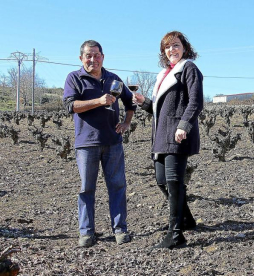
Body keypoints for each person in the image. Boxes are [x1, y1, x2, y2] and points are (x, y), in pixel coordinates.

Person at [133, 31, 203, 249]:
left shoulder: (188, 68)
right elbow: (160, 110)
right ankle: (187, 219)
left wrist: (184, 125)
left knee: (173, 182)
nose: (171, 50)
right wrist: (145, 103)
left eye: (176, 45)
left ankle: (176, 235)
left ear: (184, 47)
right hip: (161, 135)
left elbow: (196, 102)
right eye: (167, 47)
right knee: (162, 181)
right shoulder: (164, 74)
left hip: (176, 135)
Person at [63, 40, 136, 247]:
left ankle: (120, 229)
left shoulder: (113, 79)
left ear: (103, 57)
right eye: (88, 55)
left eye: (96, 55)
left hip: (113, 142)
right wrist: (98, 101)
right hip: (86, 143)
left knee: (118, 186)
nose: (92, 59)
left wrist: (126, 123)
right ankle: (86, 232)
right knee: (86, 188)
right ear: (81, 58)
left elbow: (130, 103)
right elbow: (71, 106)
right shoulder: (74, 78)